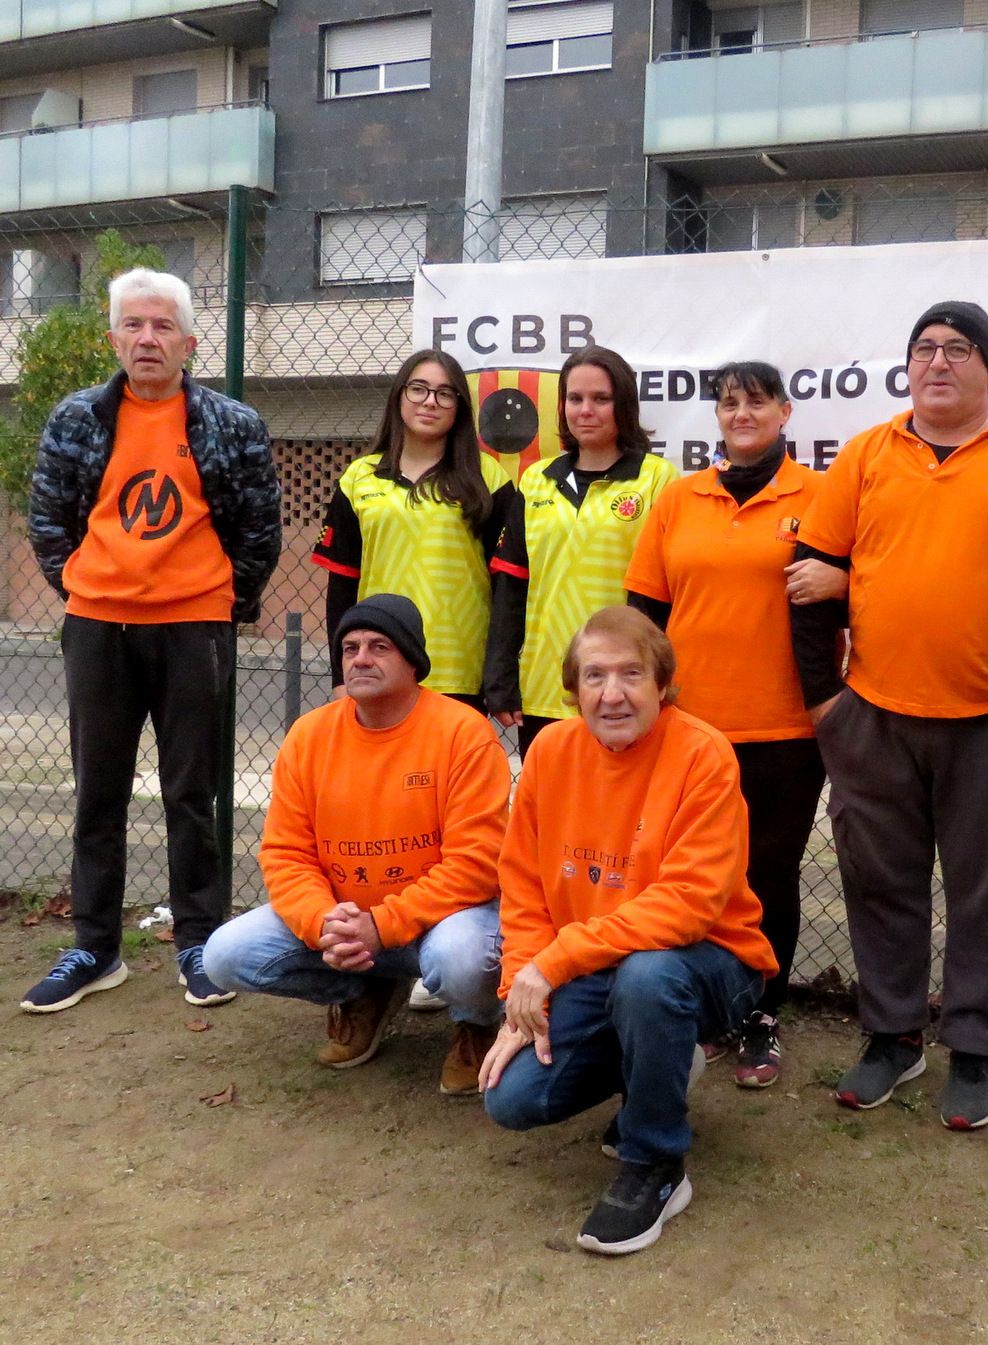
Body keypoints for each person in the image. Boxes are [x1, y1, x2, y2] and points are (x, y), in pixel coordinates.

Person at [789, 301, 988, 1130]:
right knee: (880, 885)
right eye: (924, 349)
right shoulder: (866, 456)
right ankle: (892, 1036)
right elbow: (810, 581)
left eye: (959, 349)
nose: (939, 362)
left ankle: (975, 1049)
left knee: (987, 891)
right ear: (907, 366)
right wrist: (827, 704)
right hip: (875, 716)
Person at [22, 268, 281, 1015]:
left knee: (190, 792)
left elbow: (258, 527)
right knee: (96, 792)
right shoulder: (76, 419)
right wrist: (81, 584)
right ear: (113, 337)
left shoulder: (231, 422)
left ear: (190, 341)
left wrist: (225, 597)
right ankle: (94, 947)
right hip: (98, 624)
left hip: (194, 623)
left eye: (162, 325)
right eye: (133, 325)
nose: (146, 338)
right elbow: (49, 520)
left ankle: (199, 941)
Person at [481, 607, 776, 1256]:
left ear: (662, 684)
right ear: (573, 689)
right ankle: (662, 1066)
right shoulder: (551, 752)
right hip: (597, 963)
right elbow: (524, 885)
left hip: (709, 961)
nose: (611, 693)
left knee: (650, 975)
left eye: (630, 674)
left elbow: (689, 904)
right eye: (594, 676)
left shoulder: (703, 754)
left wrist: (555, 962)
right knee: (511, 1098)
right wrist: (517, 992)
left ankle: (655, 1164)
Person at [203, 595, 510, 1094]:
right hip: (347, 918)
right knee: (224, 956)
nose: (360, 658)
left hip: (440, 920)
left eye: (379, 646)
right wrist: (324, 922)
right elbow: (286, 853)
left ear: (413, 661)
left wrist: (381, 925)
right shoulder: (310, 736)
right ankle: (362, 989)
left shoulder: (462, 733)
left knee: (462, 960)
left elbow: (477, 864)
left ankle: (475, 1024)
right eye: (350, 648)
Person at [625, 361, 832, 1088]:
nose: (741, 413)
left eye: (756, 401)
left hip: (784, 728)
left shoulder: (821, 495)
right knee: (690, 876)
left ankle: (760, 1014)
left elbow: (853, 591)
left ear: (785, 409)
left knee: (768, 875)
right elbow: (645, 616)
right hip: (690, 729)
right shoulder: (681, 498)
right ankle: (705, 1006)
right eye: (729, 402)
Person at [483, 347, 677, 759]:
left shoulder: (657, 479)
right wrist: (499, 676)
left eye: (600, 399)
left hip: (624, 689)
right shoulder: (535, 480)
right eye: (575, 399)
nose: (585, 410)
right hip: (546, 684)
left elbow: (664, 595)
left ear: (623, 405)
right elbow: (512, 583)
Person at [313, 349, 516, 711]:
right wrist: (340, 677)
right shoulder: (359, 478)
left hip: (457, 668)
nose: (430, 402)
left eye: (444, 393)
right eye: (418, 389)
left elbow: (507, 592)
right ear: (399, 396)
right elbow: (341, 587)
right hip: (376, 665)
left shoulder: (489, 479)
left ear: (460, 407)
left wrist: (497, 674)